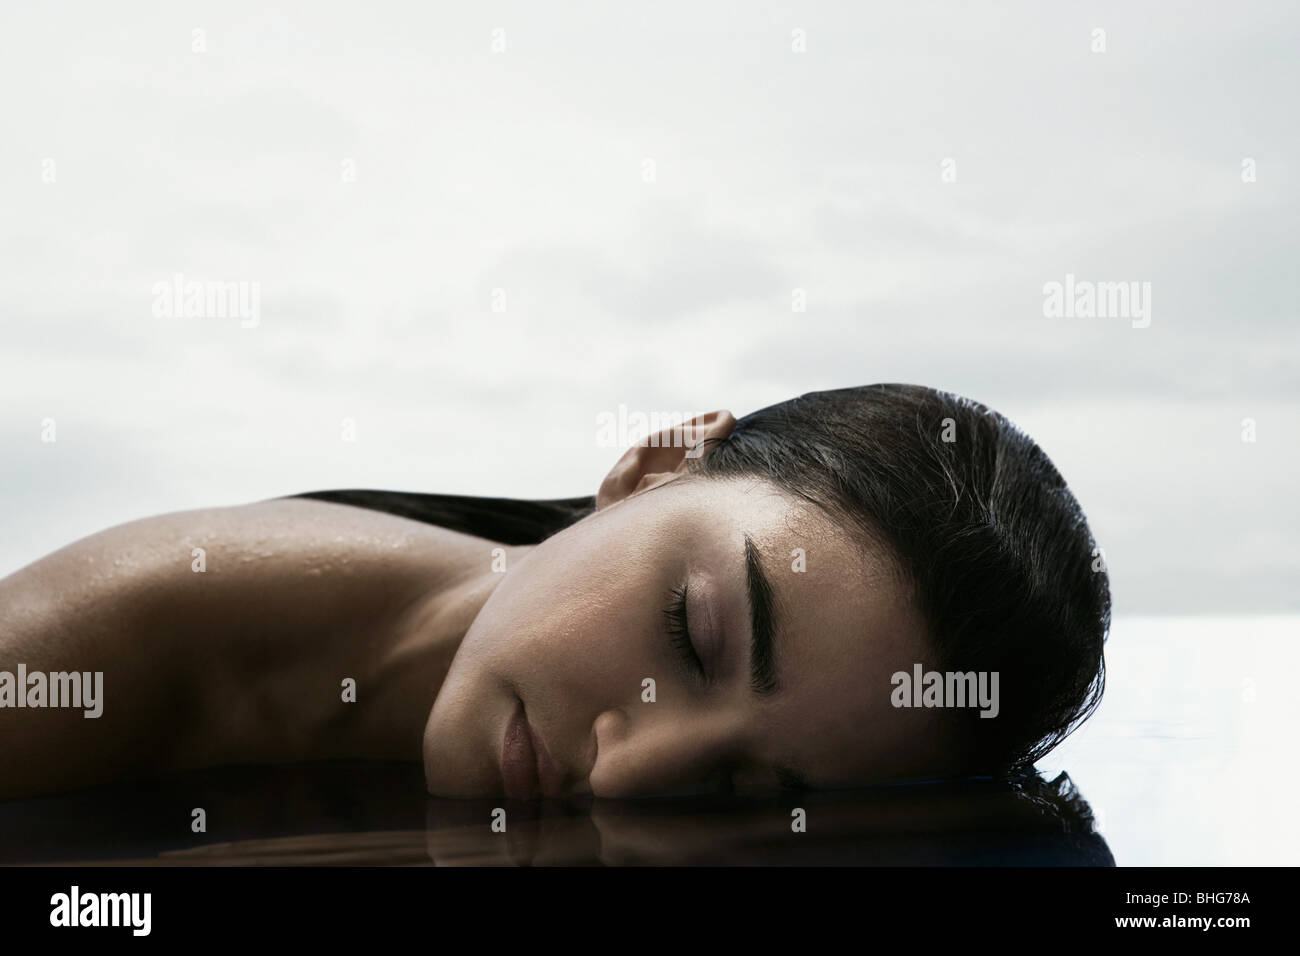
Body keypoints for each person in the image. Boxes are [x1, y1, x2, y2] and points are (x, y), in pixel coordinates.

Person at [0, 384, 1110, 802]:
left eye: (735, 789)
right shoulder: (103, 645)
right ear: (652, 466)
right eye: (693, 632)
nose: (629, 772)